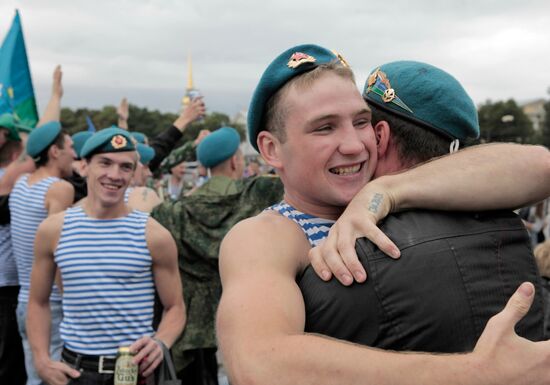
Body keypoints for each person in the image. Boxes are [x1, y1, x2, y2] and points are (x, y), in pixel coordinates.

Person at [216, 44, 550, 385]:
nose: (354, 145)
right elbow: (259, 363)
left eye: (361, 122)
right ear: (272, 149)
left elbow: (540, 166)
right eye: (324, 128)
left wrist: (386, 191)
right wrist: (476, 373)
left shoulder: (389, 198)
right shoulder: (269, 235)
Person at [299, 60, 544, 351]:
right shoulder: (508, 230)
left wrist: (383, 190)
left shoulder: (349, 259)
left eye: (360, 124)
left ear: (380, 136)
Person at [27, 127, 185, 385]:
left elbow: (175, 307)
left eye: (125, 167)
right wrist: (41, 359)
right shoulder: (53, 230)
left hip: (134, 371)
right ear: (85, 166)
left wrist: (161, 342)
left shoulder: (154, 235)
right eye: (105, 163)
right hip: (73, 371)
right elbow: (38, 302)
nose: (114, 175)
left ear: (134, 174)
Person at [152, 126, 284, 384]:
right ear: (235, 161)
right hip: (252, 315)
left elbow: (148, 166)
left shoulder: (172, 213)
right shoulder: (258, 193)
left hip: (191, 327)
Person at [9, 120, 76, 385]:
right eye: (70, 147)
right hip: (52, 303)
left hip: (25, 301)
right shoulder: (59, 189)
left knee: (34, 376)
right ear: (54, 152)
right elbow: (57, 252)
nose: (75, 153)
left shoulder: (21, 183)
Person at [0, 113, 30, 385]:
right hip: (7, 288)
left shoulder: (18, 183)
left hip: (10, 286)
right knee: (9, 365)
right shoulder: (13, 184)